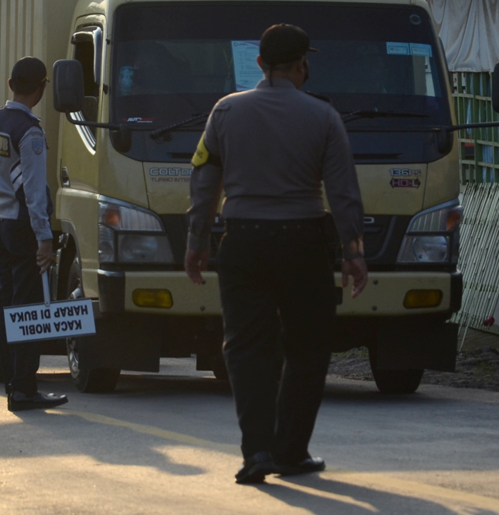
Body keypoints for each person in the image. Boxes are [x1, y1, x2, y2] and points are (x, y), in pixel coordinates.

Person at [185, 24, 367, 484]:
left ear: (261, 64)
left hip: (242, 242)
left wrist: (196, 242)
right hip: (303, 242)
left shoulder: (225, 112)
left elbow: (204, 182)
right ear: (304, 64)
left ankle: (257, 453)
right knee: (308, 346)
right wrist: (353, 252)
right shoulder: (324, 117)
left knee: (247, 347)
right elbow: (344, 192)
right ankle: (291, 450)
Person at [0, 56, 68, 412]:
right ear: (42, 88)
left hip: (1, 221)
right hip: (23, 226)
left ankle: (12, 382)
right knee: (28, 309)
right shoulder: (29, 131)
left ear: (9, 83)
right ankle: (24, 388)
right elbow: (33, 190)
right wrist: (44, 238)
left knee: (7, 305)